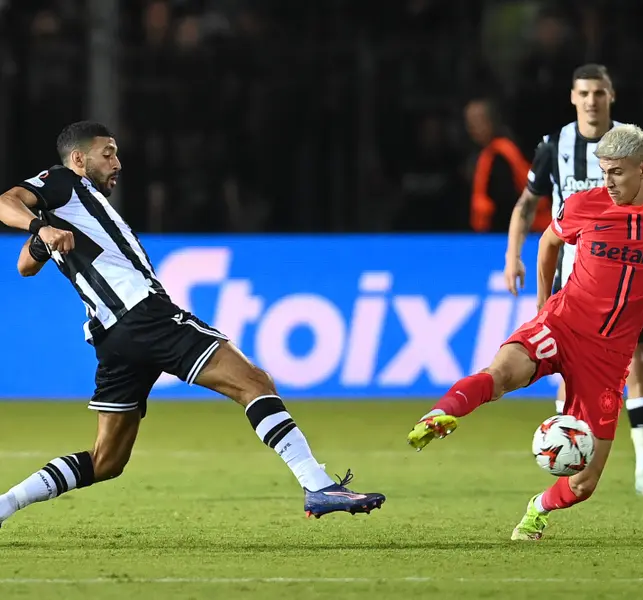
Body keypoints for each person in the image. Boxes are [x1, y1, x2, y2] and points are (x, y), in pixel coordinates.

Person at [406, 124, 643, 541]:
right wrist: (543, 305)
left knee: (583, 484)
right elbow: (548, 243)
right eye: (603, 170)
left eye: (616, 172)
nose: (607, 181)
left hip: (609, 358)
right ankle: (441, 413)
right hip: (563, 324)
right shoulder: (582, 205)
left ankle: (536, 510)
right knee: (504, 372)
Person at [0, 122, 385, 527]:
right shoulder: (63, 183)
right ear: (78, 159)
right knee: (254, 383)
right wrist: (39, 227)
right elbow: (6, 199)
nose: (117, 162)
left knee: (106, 461)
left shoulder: (71, 211)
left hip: (114, 337)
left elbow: (26, 266)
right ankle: (318, 485)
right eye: (107, 153)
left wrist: (44, 236)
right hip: (144, 314)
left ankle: (4, 505)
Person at [511, 64, 643, 495]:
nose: (591, 100)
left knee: (636, 365)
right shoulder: (554, 146)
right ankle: (572, 458)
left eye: (599, 93)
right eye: (584, 93)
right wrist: (514, 255)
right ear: (572, 97)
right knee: (567, 373)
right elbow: (526, 206)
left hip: (627, 277)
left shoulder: (633, 144)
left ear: (611, 96)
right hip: (576, 282)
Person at [465, 98, 551, 233]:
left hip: (521, 232)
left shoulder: (502, 154)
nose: (473, 127)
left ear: (492, 120)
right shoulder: (479, 154)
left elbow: (508, 200)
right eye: (469, 121)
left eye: (478, 120)